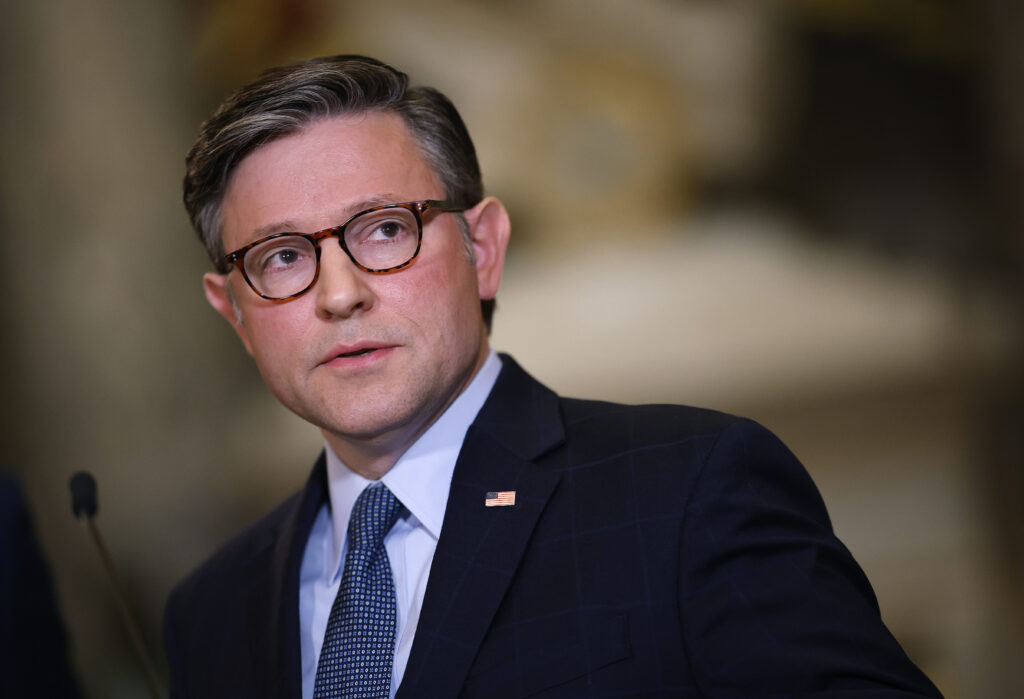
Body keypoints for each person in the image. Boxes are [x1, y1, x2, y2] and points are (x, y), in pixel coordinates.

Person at [164, 55, 942, 698]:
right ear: (233, 311)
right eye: (284, 258)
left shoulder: (690, 493)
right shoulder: (212, 611)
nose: (340, 294)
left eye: (386, 230)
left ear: (484, 248)